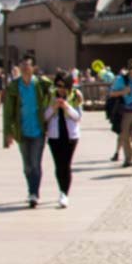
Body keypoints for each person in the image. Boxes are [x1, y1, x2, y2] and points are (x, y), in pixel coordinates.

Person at [3, 56, 53, 208]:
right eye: (23, 65)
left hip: (38, 131)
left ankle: (34, 193)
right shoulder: (14, 86)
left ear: (33, 68)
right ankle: (30, 190)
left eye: (28, 65)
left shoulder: (40, 84)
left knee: (35, 163)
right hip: (22, 131)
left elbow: (54, 89)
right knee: (27, 165)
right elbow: (8, 111)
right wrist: (8, 132)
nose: (25, 68)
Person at [44, 70, 83, 209]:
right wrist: (53, 107)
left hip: (70, 136)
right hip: (54, 135)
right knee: (58, 165)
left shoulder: (75, 96)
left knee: (66, 164)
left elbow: (78, 116)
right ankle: (61, 189)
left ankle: (64, 193)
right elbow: (44, 116)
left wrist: (67, 107)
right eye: (58, 85)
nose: (60, 89)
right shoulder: (50, 96)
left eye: (63, 86)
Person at [109, 59, 132, 167]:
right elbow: (111, 93)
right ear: (131, 72)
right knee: (125, 136)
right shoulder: (121, 80)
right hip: (125, 111)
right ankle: (128, 159)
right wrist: (122, 92)